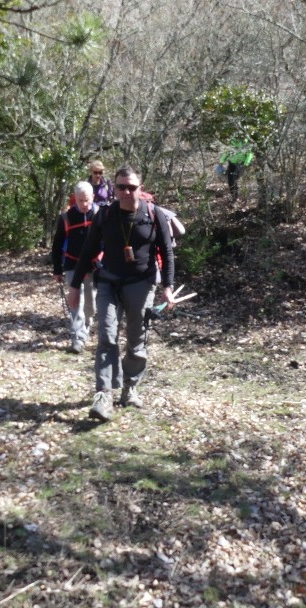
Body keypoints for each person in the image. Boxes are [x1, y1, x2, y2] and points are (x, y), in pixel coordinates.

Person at [67, 166, 177, 422]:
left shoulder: (153, 214)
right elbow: (88, 250)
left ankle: (130, 388)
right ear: (113, 188)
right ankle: (104, 395)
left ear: (141, 188)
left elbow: (167, 252)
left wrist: (168, 288)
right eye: (121, 187)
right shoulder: (105, 215)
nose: (126, 191)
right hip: (108, 282)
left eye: (132, 187)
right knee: (107, 336)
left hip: (141, 282)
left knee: (137, 341)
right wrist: (74, 288)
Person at [50, 181, 99, 354]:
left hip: (94, 266)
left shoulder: (101, 214)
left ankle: (87, 324)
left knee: (90, 303)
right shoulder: (66, 218)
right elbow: (56, 246)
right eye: (80, 201)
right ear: (75, 199)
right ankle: (78, 337)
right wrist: (57, 270)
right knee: (76, 302)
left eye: (87, 200)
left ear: (93, 197)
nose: (84, 204)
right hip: (72, 264)